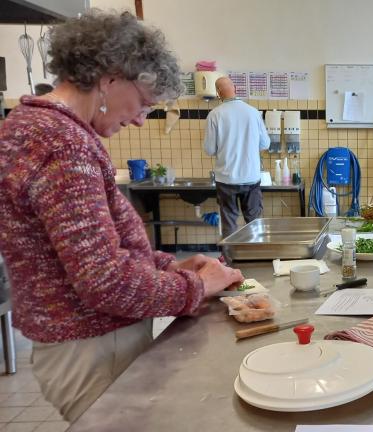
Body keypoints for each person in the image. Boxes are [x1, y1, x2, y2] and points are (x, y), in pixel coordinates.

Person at [0, 11, 243, 421]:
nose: (138, 119)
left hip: (90, 341)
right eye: (144, 103)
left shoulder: (39, 129)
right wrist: (194, 287)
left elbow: (100, 254)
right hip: (91, 347)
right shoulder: (61, 143)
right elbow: (104, 283)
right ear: (110, 77)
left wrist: (169, 267)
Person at [203, 76, 270, 238]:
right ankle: (257, 258)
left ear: (218, 93)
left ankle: (229, 261)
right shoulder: (253, 112)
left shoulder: (215, 115)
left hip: (226, 180)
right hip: (251, 177)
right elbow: (265, 144)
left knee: (229, 223)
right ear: (236, 89)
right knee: (254, 222)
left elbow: (209, 149)